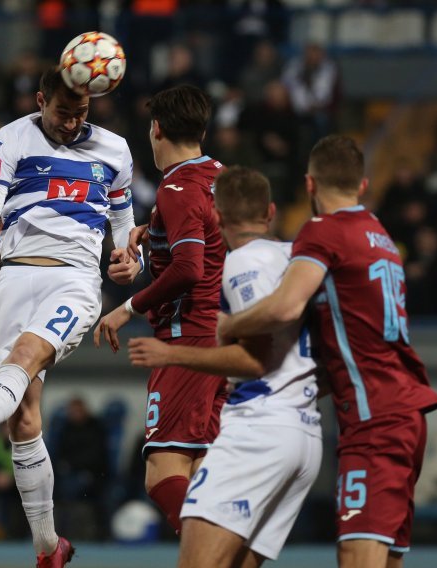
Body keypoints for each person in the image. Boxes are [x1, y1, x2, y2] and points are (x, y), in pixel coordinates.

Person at [0, 66, 141, 568]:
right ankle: (47, 548)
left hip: (76, 281)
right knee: (22, 418)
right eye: (62, 112)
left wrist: (131, 261)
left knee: (23, 357)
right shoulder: (10, 138)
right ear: (41, 99)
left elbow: (125, 227)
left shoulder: (115, 150)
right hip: (15, 277)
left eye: (80, 113)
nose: (70, 122)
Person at [217, 135, 437, 568]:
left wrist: (229, 325)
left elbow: (286, 305)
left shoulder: (324, 231)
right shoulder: (380, 236)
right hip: (406, 413)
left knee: (357, 557)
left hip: (374, 419)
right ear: (362, 185)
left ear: (309, 184)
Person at [127, 166, 322, 567]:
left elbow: (254, 359)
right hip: (308, 432)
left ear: (215, 216)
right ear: (270, 212)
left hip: (261, 427)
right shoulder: (297, 262)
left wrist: (171, 354)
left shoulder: (240, 266)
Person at [95, 84, 227, 534]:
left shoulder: (176, 188)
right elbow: (209, 245)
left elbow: (190, 269)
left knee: (162, 474)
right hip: (223, 337)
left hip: (187, 340)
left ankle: (217, 557)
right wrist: (149, 232)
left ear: (156, 130)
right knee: (203, 471)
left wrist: (126, 308)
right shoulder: (219, 176)